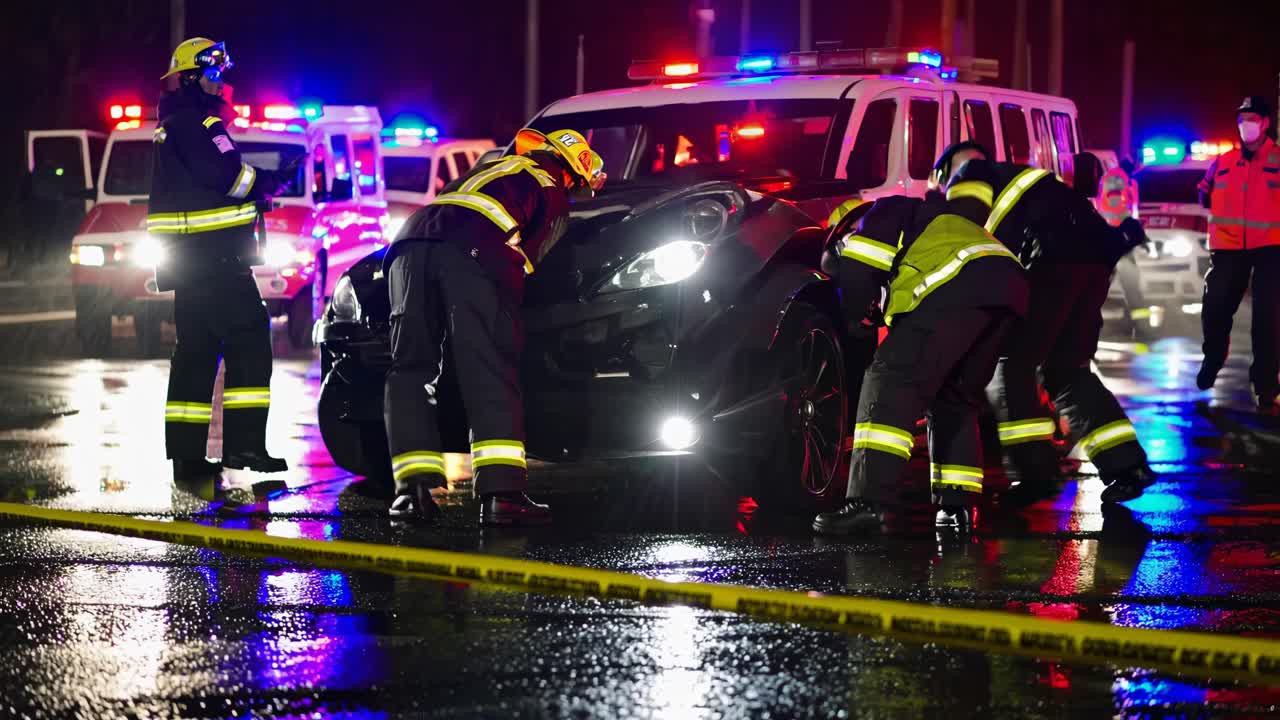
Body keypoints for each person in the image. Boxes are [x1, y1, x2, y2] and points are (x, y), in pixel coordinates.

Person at [383, 128, 605, 526]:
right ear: (575, 170)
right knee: (489, 365)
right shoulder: (551, 186)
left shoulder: (494, 167)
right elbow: (536, 264)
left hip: (408, 244)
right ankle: (502, 496)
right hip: (475, 245)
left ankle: (410, 495)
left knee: (410, 368)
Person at [939, 142, 1156, 507]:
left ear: (950, 171)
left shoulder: (971, 174)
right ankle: (1127, 465)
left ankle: (1035, 475)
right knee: (1066, 370)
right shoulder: (1028, 180)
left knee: (1012, 365)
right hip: (1095, 261)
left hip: (1053, 262)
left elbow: (962, 232)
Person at [811, 192, 1028, 536]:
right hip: (1008, 289)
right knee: (954, 397)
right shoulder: (928, 222)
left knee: (889, 380)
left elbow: (858, 272)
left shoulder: (876, 216)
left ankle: (867, 503)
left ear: (844, 231)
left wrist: (855, 321)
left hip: (958, 283)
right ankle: (958, 507)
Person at [148, 38, 294, 482]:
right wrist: (269, 182)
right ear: (195, 76)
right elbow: (229, 177)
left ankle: (188, 461)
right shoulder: (201, 121)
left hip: (191, 263)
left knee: (195, 354)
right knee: (250, 338)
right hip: (217, 261)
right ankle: (246, 446)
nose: (223, 82)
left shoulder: (175, 122)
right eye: (216, 73)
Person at [1195, 96, 1280, 412]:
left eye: (1253, 118)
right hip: (1229, 248)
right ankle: (1213, 358)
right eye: (1242, 119)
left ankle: (1267, 386)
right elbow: (1203, 193)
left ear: (1266, 122)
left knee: (1267, 319)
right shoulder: (1223, 162)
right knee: (1215, 307)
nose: (1246, 124)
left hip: (1271, 248)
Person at [1099, 158, 1150, 337]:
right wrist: (1129, 232)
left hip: (1119, 239)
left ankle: (1136, 324)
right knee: (1122, 283)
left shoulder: (1125, 180)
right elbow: (1117, 209)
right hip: (1116, 239)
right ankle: (1140, 326)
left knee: (1125, 283)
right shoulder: (1117, 179)